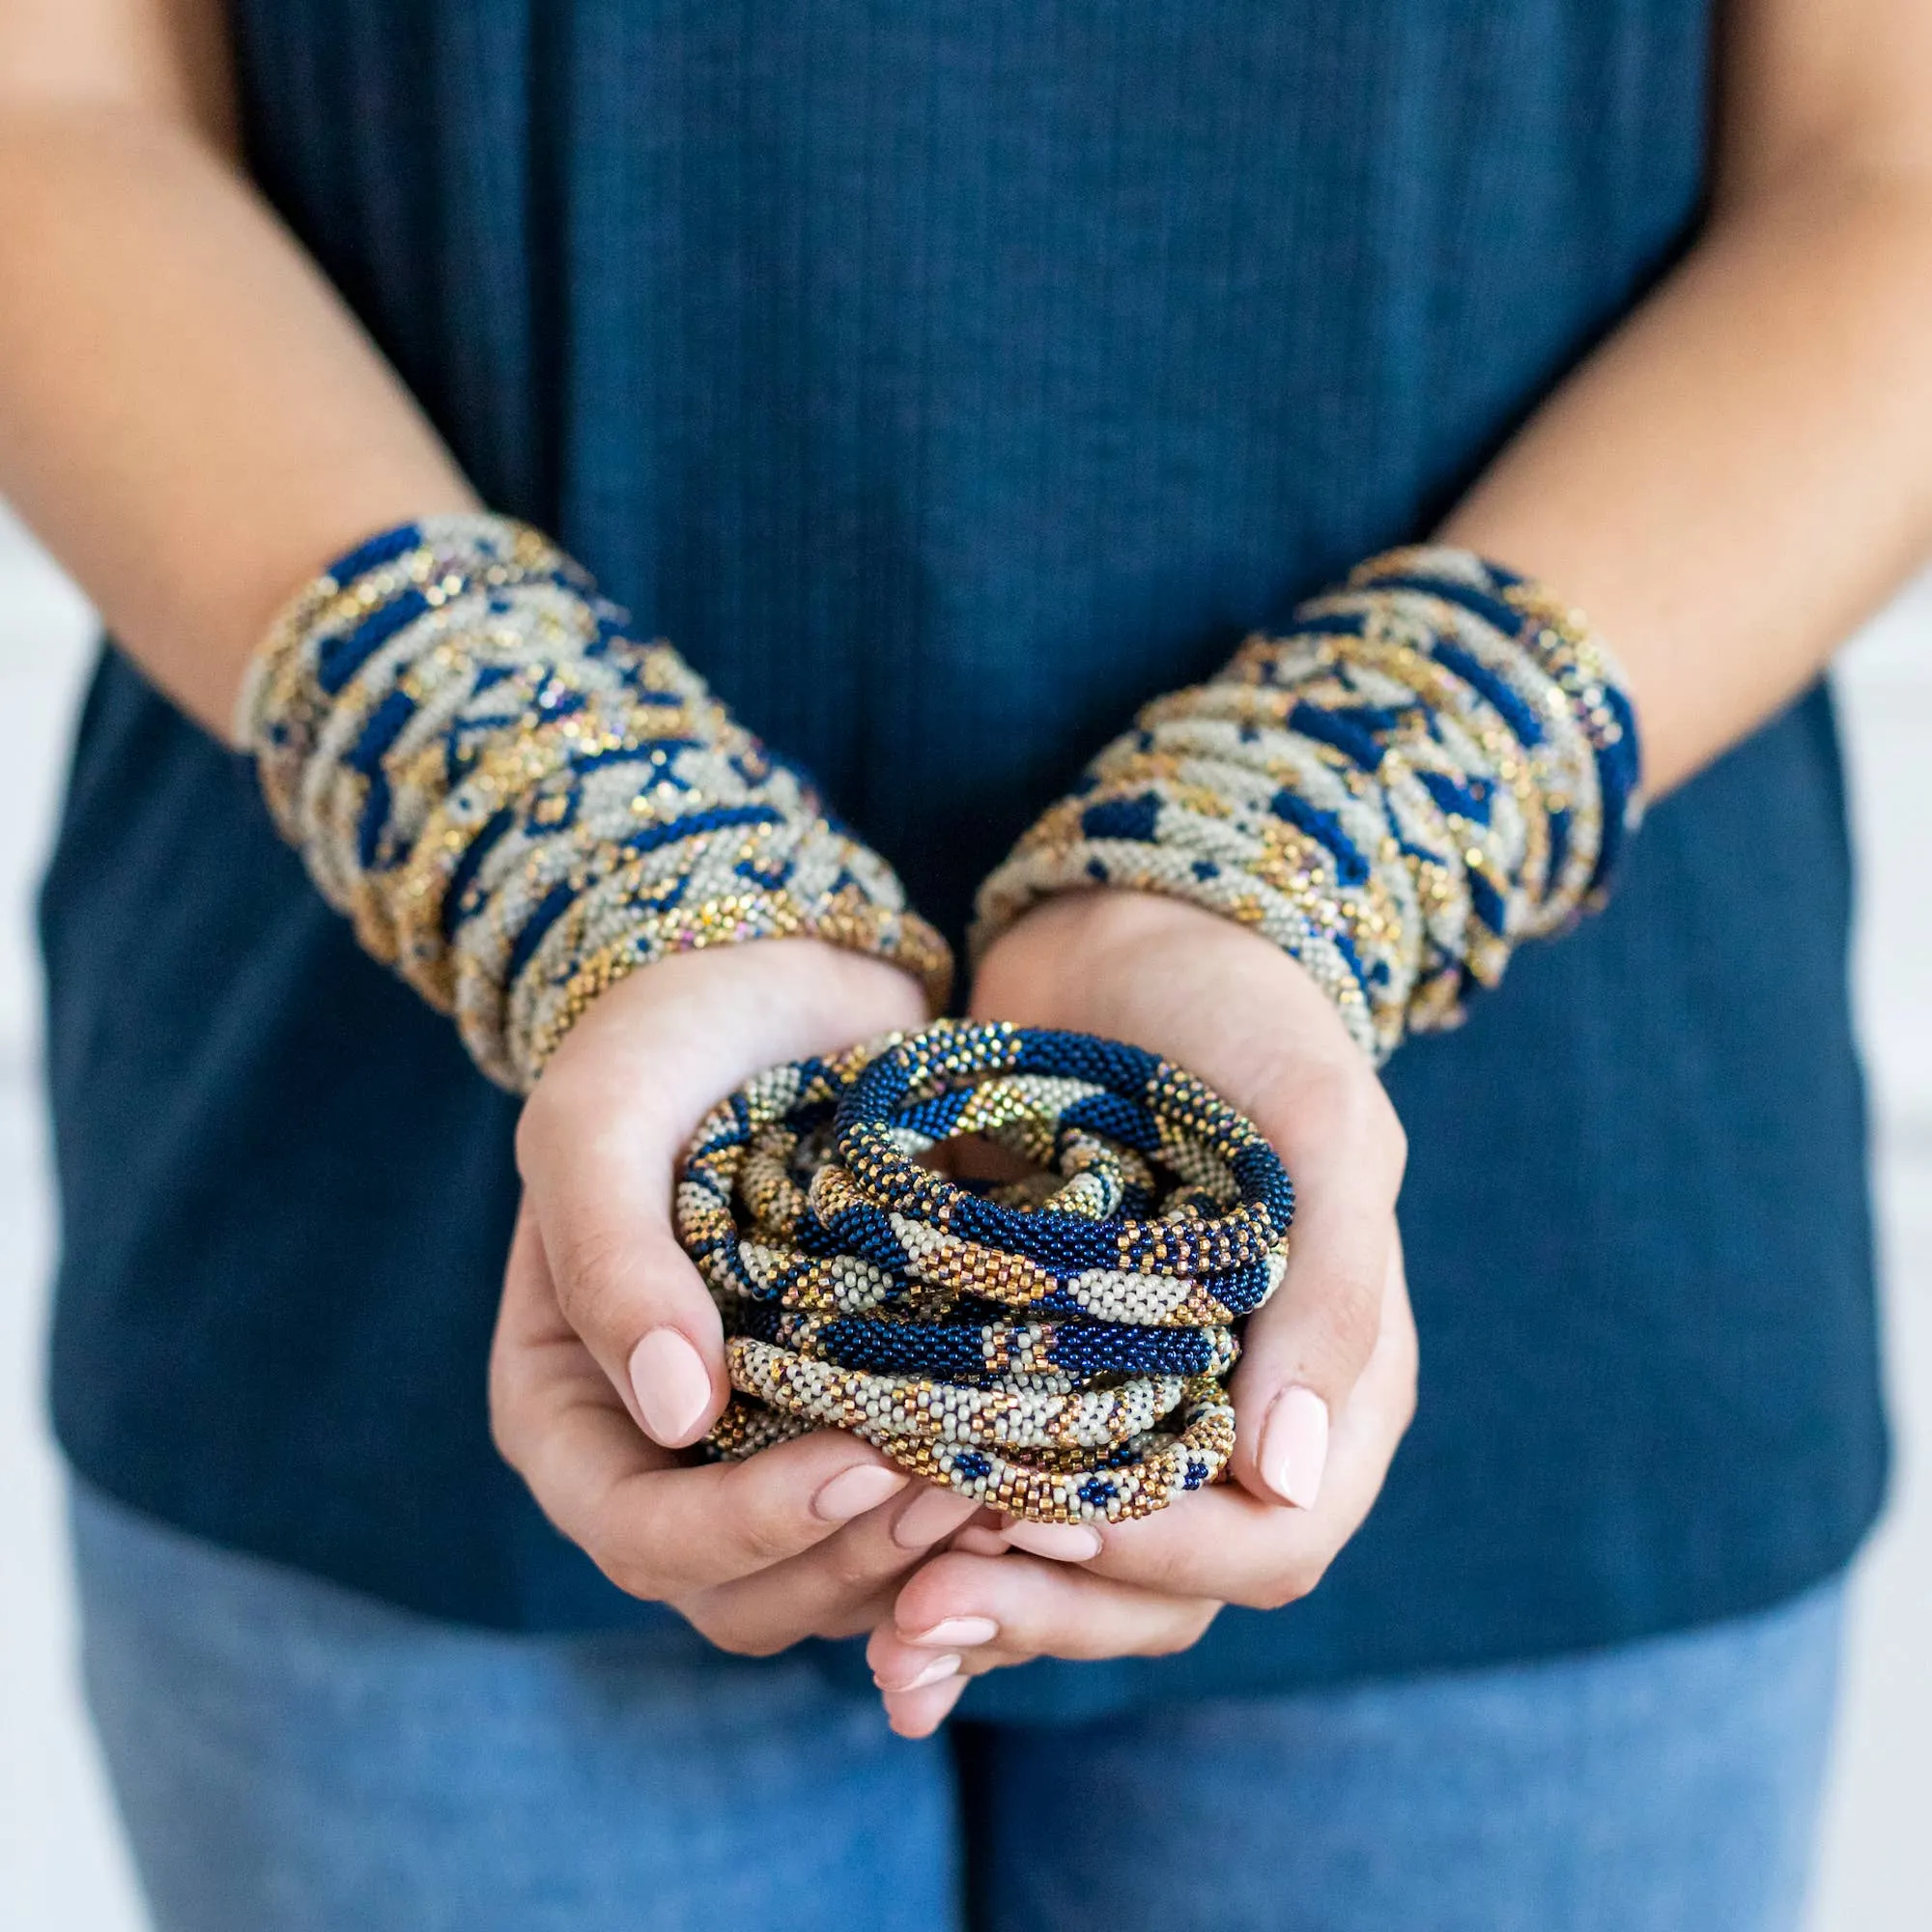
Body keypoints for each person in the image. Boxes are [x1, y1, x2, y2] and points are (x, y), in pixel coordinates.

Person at [1, 0, 1924, 1926]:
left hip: (1564, 1278)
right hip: (377, 1258)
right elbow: (50, 107)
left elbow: (1884, 170)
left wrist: (1310, 841)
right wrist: (562, 830)